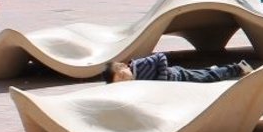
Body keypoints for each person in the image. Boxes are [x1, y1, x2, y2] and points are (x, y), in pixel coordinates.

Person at [105, 52, 252, 83]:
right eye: (121, 81)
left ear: (125, 66)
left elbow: (160, 57)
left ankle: (238, 67)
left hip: (179, 76)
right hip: (177, 83)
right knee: (205, 73)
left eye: (122, 75)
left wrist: (162, 79)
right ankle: (213, 68)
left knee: (208, 78)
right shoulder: (134, 82)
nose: (125, 79)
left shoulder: (139, 64)